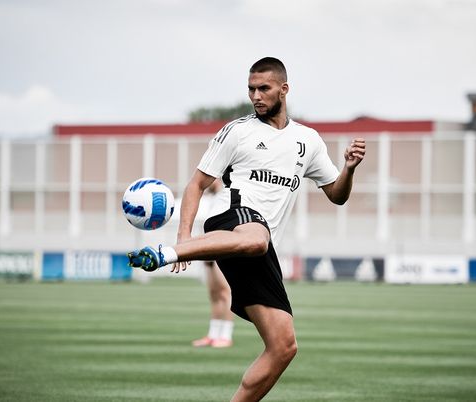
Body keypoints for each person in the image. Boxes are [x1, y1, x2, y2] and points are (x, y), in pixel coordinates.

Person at [128, 57, 365, 401]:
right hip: (232, 218)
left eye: (263, 88)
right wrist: (182, 240)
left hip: (260, 246)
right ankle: (165, 254)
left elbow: (337, 195)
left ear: (284, 89)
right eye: (251, 89)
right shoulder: (237, 131)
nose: (256, 95)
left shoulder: (308, 141)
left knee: (283, 346)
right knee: (256, 237)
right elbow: (196, 185)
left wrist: (349, 169)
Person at [191, 180, 235, 348]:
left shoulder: (226, 195)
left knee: (225, 292)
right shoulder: (210, 198)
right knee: (214, 293)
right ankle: (213, 334)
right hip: (208, 248)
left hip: (221, 248)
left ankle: (226, 334)